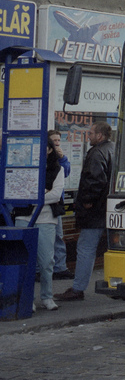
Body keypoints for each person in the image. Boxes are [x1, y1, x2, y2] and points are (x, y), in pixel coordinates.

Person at [56, 121, 113, 302]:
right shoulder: (114, 149)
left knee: (85, 248)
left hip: (96, 211)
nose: (88, 137)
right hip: (111, 208)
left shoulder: (97, 153)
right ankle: (121, 285)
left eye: (91, 134)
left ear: (100, 136)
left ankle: (78, 288)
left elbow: (95, 180)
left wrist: (87, 201)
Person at [13, 131, 66, 311]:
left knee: (46, 261)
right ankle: (28, 297)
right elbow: (18, 191)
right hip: (23, 216)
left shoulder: (57, 169)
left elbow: (56, 195)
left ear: (50, 150)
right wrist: (41, 195)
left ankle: (47, 297)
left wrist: (35, 197)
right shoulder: (22, 166)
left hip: (46, 218)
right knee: (25, 259)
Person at [50, 130, 74, 280]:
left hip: (58, 201)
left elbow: (66, 173)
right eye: (54, 141)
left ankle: (60, 267)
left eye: (59, 140)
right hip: (48, 201)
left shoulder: (60, 158)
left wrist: (63, 158)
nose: (57, 143)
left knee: (59, 235)